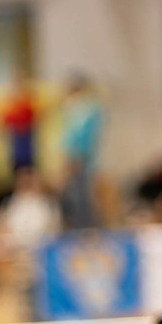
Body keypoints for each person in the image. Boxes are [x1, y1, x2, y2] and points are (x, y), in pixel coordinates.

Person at [57, 74, 104, 230]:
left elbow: (83, 137)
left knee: (81, 196)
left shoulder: (86, 109)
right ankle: (78, 226)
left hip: (80, 159)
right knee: (73, 195)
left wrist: (76, 157)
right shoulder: (73, 108)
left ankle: (85, 228)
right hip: (74, 157)